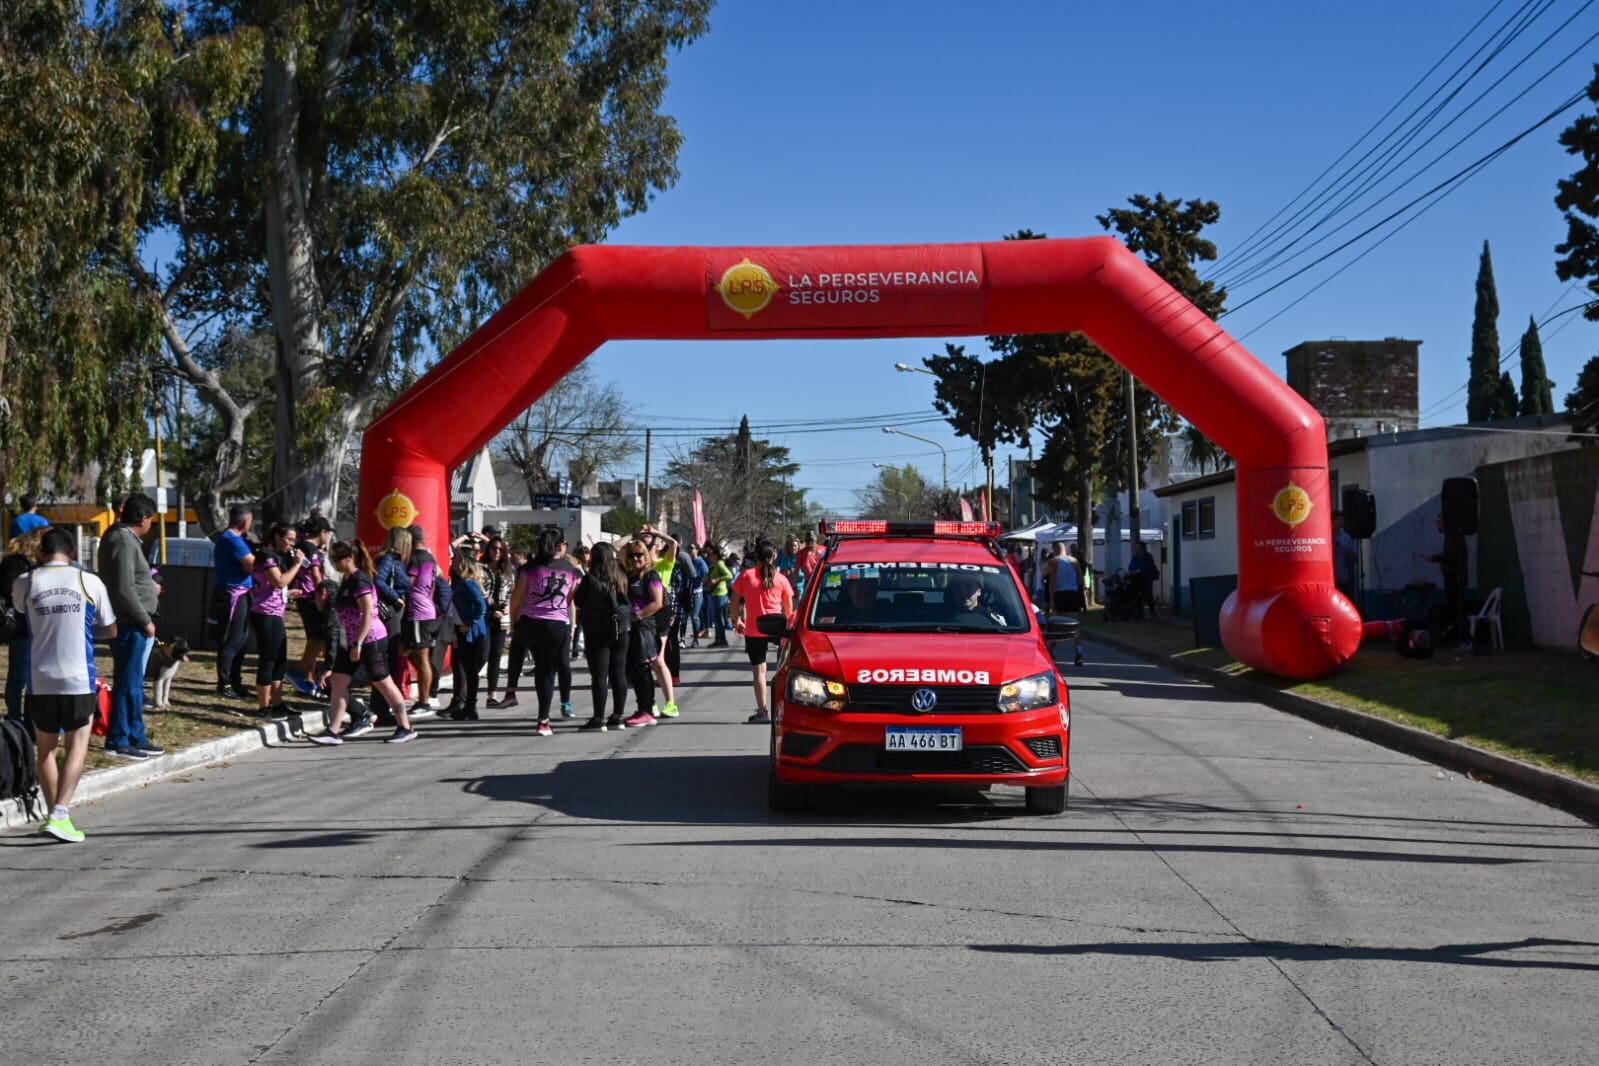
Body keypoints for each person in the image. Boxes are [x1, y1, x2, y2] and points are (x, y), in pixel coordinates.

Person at [12, 527, 118, 841]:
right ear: (72, 554)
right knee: (77, 746)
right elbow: (110, 629)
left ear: (41, 553)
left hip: (40, 679)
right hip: (78, 678)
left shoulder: (26, 582)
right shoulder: (89, 581)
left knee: (45, 749)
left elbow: (21, 613)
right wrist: (85, 629)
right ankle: (60, 813)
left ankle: (53, 814)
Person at [309, 540, 417, 745]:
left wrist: (358, 642)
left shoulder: (360, 580)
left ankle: (405, 726)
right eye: (332, 559)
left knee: (383, 683)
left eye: (337, 559)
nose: (334, 563)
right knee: (338, 682)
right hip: (351, 641)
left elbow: (368, 612)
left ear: (349, 558)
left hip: (370, 640)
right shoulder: (347, 580)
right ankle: (332, 731)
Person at [97, 493, 165, 758]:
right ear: (143, 518)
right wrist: (144, 620)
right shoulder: (122, 541)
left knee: (135, 683)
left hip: (134, 622)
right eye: (151, 519)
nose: (151, 525)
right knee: (128, 682)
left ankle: (136, 734)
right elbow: (123, 588)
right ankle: (119, 739)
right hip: (129, 623)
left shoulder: (128, 540)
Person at [506, 529, 576, 735]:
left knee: (517, 647)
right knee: (546, 672)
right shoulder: (570, 569)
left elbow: (516, 598)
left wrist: (513, 621)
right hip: (556, 625)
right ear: (558, 546)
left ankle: (511, 690)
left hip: (531, 622)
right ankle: (543, 721)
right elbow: (569, 597)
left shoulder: (529, 568)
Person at [729, 540, 794, 725]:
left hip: (754, 628)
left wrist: (736, 620)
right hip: (778, 628)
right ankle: (786, 710)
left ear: (755, 557)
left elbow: (734, 599)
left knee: (759, 671)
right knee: (784, 671)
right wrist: (790, 627)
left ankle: (763, 711)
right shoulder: (781, 579)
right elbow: (789, 607)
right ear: (774, 556)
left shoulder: (746, 576)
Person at [248, 523, 304, 719]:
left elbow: (274, 586)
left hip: (275, 611)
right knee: (268, 659)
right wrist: (297, 564)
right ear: (277, 537)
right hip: (264, 613)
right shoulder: (266, 555)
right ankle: (264, 706)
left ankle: (278, 702)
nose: (291, 544)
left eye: (293, 540)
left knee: (280, 659)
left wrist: (287, 593)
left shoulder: (275, 556)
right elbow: (278, 581)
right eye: (289, 539)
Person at [573, 541, 631, 730]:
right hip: (620, 629)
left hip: (597, 631)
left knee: (599, 675)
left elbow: (579, 600)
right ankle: (618, 716)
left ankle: (599, 718)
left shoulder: (590, 579)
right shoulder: (621, 575)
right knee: (619, 674)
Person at [2, 527, 48, 722]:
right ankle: (15, 715)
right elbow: (9, 591)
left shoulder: (21, 563)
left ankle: (26, 716)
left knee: (27, 675)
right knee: (19, 675)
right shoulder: (16, 565)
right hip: (21, 626)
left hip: (32, 625)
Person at [210, 504, 255, 699]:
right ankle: (225, 682)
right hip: (232, 594)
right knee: (232, 639)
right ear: (245, 521)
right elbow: (251, 564)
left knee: (242, 639)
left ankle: (236, 680)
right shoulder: (232, 540)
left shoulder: (237, 539)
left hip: (242, 592)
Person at [287, 515, 333, 696]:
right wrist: (323, 594)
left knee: (314, 638)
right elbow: (315, 574)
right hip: (311, 598)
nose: (328, 537)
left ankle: (307, 679)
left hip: (305, 597)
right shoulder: (310, 548)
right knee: (320, 638)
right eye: (328, 533)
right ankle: (297, 671)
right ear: (323, 532)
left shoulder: (302, 545)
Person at [620, 542, 664, 729]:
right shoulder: (629, 575)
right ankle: (643, 708)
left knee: (642, 668)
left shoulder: (650, 575)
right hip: (630, 627)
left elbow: (657, 602)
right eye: (632, 555)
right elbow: (617, 549)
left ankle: (646, 710)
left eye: (639, 555)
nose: (635, 558)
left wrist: (637, 615)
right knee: (634, 669)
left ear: (646, 556)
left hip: (644, 627)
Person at [400, 524, 442, 718]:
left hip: (418, 612)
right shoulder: (430, 557)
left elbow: (406, 584)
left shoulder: (416, 559)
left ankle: (424, 701)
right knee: (413, 653)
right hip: (427, 610)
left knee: (421, 657)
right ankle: (424, 696)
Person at [373, 526, 413, 726]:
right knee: (388, 658)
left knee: (388, 658)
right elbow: (379, 581)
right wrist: (395, 597)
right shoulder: (389, 560)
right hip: (391, 613)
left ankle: (381, 707)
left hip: (395, 612)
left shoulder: (394, 561)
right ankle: (381, 708)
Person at [640, 524, 680, 718]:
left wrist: (656, 533)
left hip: (661, 612)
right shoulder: (637, 565)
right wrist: (635, 535)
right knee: (645, 661)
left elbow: (673, 543)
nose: (646, 551)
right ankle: (651, 702)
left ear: (657, 547)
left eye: (650, 545)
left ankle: (671, 703)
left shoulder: (664, 564)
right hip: (643, 613)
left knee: (658, 659)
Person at [446, 552, 489, 720]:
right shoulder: (461, 584)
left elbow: (481, 606)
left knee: (471, 671)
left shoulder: (469, 585)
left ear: (463, 564)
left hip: (472, 633)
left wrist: (469, 623)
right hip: (463, 631)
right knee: (468, 670)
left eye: (456, 559)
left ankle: (470, 707)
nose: (453, 561)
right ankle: (468, 706)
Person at [480, 537, 514, 706]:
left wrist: (508, 607)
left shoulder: (508, 571)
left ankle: (491, 695)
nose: (497, 552)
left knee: (496, 656)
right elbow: (480, 591)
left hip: (502, 618)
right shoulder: (481, 568)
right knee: (482, 654)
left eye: (500, 549)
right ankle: (465, 690)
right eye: (494, 548)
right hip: (484, 616)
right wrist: (492, 610)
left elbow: (512, 592)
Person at [1427, 513, 1470, 648]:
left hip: (1455, 579)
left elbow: (1449, 556)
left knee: (1456, 609)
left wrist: (1435, 558)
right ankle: (1459, 639)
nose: (1437, 524)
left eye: (1439, 521)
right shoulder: (1453, 537)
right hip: (1454, 578)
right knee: (1455, 608)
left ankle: (1462, 639)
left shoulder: (1453, 538)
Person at [1045, 540, 1085, 666]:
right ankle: (1079, 652)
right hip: (1073, 594)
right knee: (1074, 624)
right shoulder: (1074, 561)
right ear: (1065, 549)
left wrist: (1051, 601)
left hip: (1060, 593)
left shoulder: (1053, 562)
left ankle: (1052, 651)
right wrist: (1080, 595)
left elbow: (1052, 582)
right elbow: (1080, 580)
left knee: (1056, 624)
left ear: (1054, 550)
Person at [705, 545, 733, 647]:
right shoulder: (715, 565)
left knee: (717, 618)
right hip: (715, 593)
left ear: (716, 555)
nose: (709, 556)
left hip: (720, 594)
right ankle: (718, 639)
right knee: (716, 618)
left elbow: (729, 575)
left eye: (711, 554)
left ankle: (722, 640)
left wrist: (717, 580)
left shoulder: (720, 564)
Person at [1332, 510, 1359, 607]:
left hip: (1343, 579)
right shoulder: (1326, 536)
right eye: (1337, 520)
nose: (1340, 523)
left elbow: (1354, 559)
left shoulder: (1346, 537)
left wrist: (1349, 553)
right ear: (1331, 521)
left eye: (1341, 520)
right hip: (1329, 580)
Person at [1128, 542, 1159, 620]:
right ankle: (1139, 614)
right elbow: (1131, 566)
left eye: (1138, 547)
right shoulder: (1135, 557)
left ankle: (1152, 612)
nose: (1137, 548)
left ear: (1142, 547)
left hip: (1146, 579)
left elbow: (1149, 566)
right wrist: (1133, 571)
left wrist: (1140, 570)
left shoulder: (1148, 556)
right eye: (1136, 547)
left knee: (1148, 595)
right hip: (1137, 579)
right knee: (1138, 596)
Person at [687, 543, 708, 647]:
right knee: (685, 617)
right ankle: (682, 638)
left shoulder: (701, 563)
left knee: (694, 617)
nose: (689, 550)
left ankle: (696, 639)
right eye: (688, 548)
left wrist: (700, 583)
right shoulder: (688, 561)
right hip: (687, 592)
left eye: (691, 548)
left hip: (697, 593)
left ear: (697, 550)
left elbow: (705, 576)